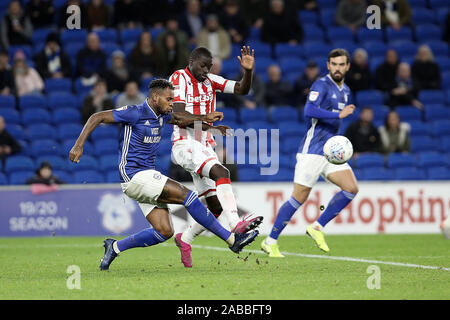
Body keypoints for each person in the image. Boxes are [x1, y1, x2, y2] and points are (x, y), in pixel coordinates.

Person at [69, 79, 259, 270]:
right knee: (189, 196)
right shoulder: (135, 112)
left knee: (164, 231)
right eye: (168, 100)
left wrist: (210, 123)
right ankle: (232, 239)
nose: (171, 104)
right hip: (134, 175)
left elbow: (183, 120)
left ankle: (115, 247)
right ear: (154, 97)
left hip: (145, 177)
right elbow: (97, 117)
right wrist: (79, 145)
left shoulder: (162, 114)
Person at [169, 46, 263, 268]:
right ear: (191, 61)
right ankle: (235, 224)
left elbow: (241, 89)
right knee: (223, 172)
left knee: (214, 207)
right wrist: (206, 118)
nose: (206, 70)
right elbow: (177, 116)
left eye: (209, 67)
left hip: (204, 146)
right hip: (185, 143)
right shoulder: (179, 77)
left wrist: (248, 71)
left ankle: (185, 238)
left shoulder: (211, 80)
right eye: (203, 66)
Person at [261, 49, 358, 257]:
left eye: (341, 64)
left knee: (351, 188)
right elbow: (309, 110)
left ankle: (317, 227)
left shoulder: (346, 90)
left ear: (348, 66)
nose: (337, 68)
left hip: (330, 153)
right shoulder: (321, 85)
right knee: (299, 197)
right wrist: (338, 114)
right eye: (334, 64)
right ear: (328, 65)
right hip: (312, 150)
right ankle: (270, 241)